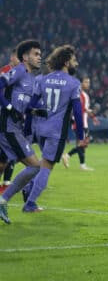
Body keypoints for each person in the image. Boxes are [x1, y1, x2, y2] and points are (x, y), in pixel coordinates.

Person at [20, 44, 87, 214]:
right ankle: (30, 203)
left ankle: (28, 188)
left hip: (39, 129)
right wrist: (81, 136)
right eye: (73, 60)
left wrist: (29, 127)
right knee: (47, 167)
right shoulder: (73, 83)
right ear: (66, 62)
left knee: (42, 163)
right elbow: (78, 113)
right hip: (56, 132)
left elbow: (31, 106)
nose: (76, 63)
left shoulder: (42, 79)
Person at [0, 40, 45, 224]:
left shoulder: (33, 80)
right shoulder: (19, 70)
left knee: (2, 165)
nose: (39, 57)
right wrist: (8, 106)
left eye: (40, 54)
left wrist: (37, 111)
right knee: (35, 165)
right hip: (8, 128)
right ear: (25, 57)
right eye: (35, 54)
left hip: (14, 127)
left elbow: (27, 107)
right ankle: (3, 200)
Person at [62, 75, 98, 171]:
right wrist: (93, 116)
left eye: (89, 82)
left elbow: (83, 109)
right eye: (86, 82)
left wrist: (92, 116)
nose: (88, 84)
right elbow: (81, 109)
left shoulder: (81, 95)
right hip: (80, 123)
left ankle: (78, 162)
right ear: (81, 83)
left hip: (80, 123)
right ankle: (69, 157)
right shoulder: (80, 95)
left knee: (81, 144)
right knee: (82, 144)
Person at [0, 49, 19, 192]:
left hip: (12, 118)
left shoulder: (21, 73)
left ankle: (6, 183)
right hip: (3, 116)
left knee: (10, 152)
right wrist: (9, 107)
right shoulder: (5, 72)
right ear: (12, 57)